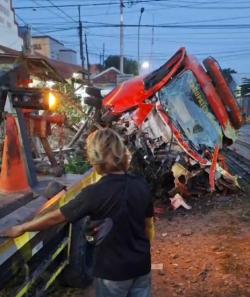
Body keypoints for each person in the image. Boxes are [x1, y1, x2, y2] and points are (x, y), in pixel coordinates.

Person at [0, 128, 154, 297]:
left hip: (113, 274)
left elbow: (56, 217)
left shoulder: (93, 193)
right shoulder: (141, 185)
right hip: (142, 269)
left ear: (96, 158)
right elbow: (148, 228)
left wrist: (22, 228)